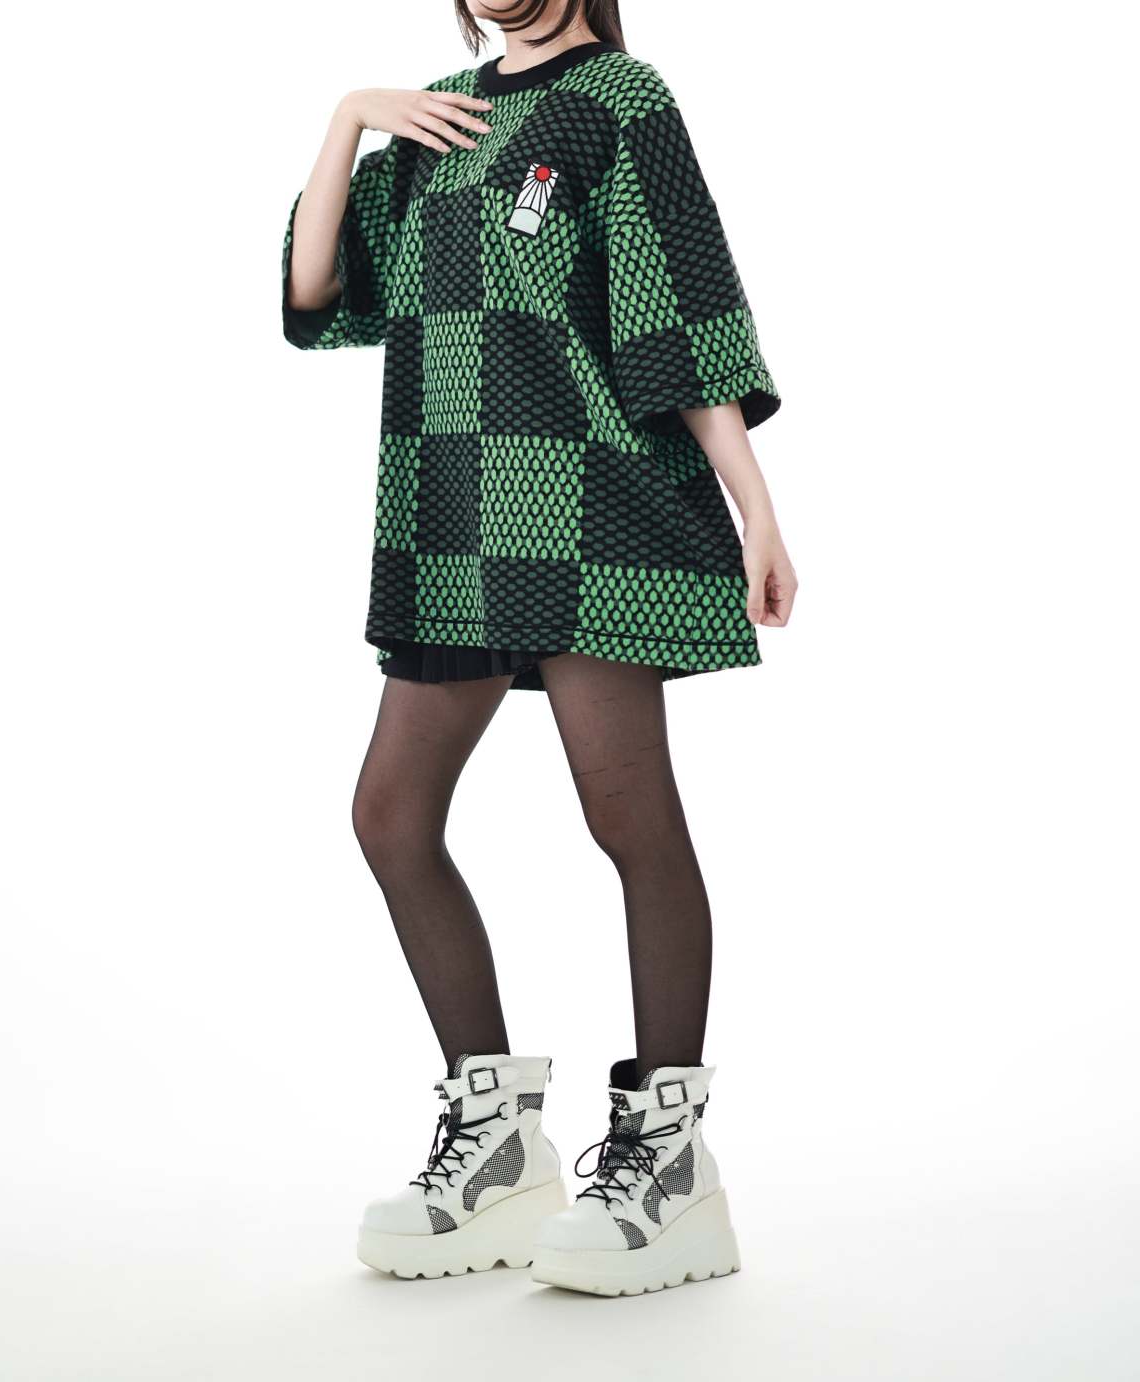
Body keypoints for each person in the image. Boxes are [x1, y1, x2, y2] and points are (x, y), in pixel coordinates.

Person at [281, 0, 796, 1296]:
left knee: (628, 816)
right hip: (450, 509)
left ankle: (670, 1162)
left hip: (591, 503)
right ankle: (499, 1146)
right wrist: (350, 118)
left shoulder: (620, 101)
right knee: (390, 815)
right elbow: (316, 290)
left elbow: (681, 310)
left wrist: (756, 507)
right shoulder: (432, 118)